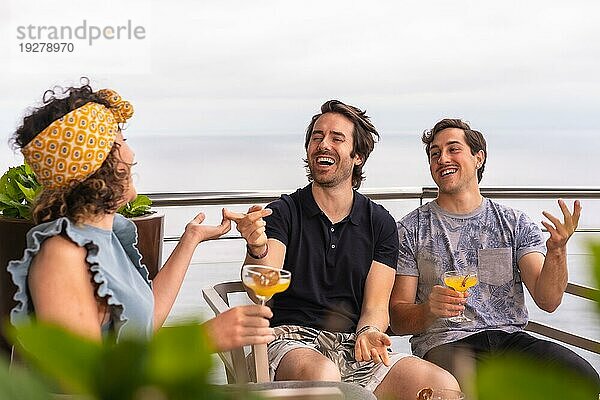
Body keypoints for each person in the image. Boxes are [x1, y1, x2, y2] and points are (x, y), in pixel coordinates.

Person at [7, 81, 274, 352]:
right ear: (97, 161)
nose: (131, 153)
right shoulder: (62, 255)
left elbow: (144, 324)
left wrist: (191, 238)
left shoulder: (105, 237)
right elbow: (87, 382)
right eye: (121, 142)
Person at [225, 101, 459, 400]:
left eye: (337, 138)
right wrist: (257, 248)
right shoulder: (284, 212)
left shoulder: (380, 223)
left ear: (357, 156)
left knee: (442, 385)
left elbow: (376, 306)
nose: (323, 144)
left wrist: (369, 331)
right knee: (325, 378)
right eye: (317, 137)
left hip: (353, 346)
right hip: (289, 342)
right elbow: (264, 286)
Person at [390, 118, 599, 387]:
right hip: (447, 344)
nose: (442, 158)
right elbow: (397, 318)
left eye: (453, 149)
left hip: (510, 340)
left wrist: (557, 250)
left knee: (582, 378)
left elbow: (548, 300)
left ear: (479, 158)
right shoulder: (410, 229)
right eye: (434, 154)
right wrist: (429, 310)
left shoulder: (515, 223)